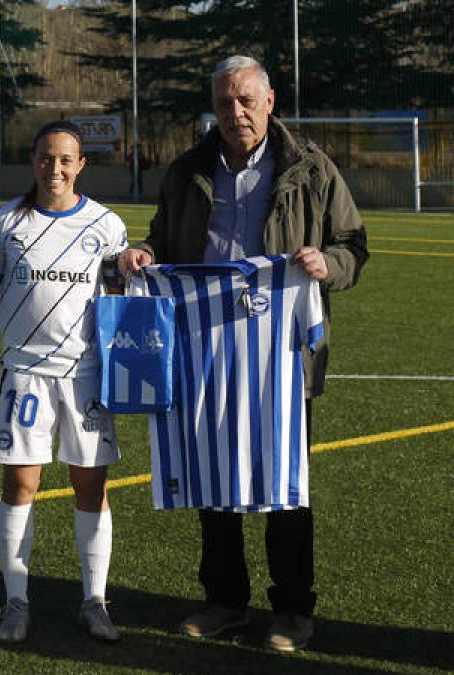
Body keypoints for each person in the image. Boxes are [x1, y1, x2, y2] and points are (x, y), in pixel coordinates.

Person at [117, 55, 368, 652]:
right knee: (211, 476)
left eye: (246, 101)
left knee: (285, 482)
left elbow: (353, 244)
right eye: (225, 103)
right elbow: (161, 233)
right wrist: (145, 254)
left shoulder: (310, 167)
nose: (236, 113)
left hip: (279, 351)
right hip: (202, 344)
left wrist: (325, 264)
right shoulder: (187, 169)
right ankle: (224, 600)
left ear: (270, 101)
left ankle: (293, 610)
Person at [0, 121, 128, 645]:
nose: (55, 169)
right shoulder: (6, 221)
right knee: (21, 485)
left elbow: (117, 295)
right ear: (33, 160)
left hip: (86, 377)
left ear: (81, 164)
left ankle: (94, 600)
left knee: (90, 485)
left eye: (66, 159)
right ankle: (16, 602)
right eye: (46, 158)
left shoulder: (106, 225)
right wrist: (23, 339)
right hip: (25, 375)